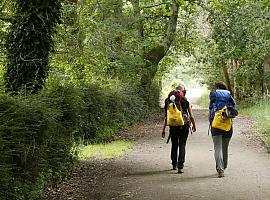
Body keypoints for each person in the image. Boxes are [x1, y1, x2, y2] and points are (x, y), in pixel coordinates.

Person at [161, 84, 196, 173]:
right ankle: (180, 166)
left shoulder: (168, 101)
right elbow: (191, 116)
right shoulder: (185, 100)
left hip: (173, 125)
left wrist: (164, 129)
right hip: (184, 125)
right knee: (182, 144)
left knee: (174, 144)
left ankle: (174, 164)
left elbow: (167, 116)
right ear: (183, 92)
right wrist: (194, 125)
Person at [209, 81, 236, 178]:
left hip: (216, 125)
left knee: (217, 148)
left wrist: (211, 122)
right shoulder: (229, 96)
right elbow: (233, 111)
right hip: (227, 126)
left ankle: (220, 170)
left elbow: (210, 110)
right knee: (225, 148)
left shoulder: (213, 96)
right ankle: (224, 166)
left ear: (217, 88)